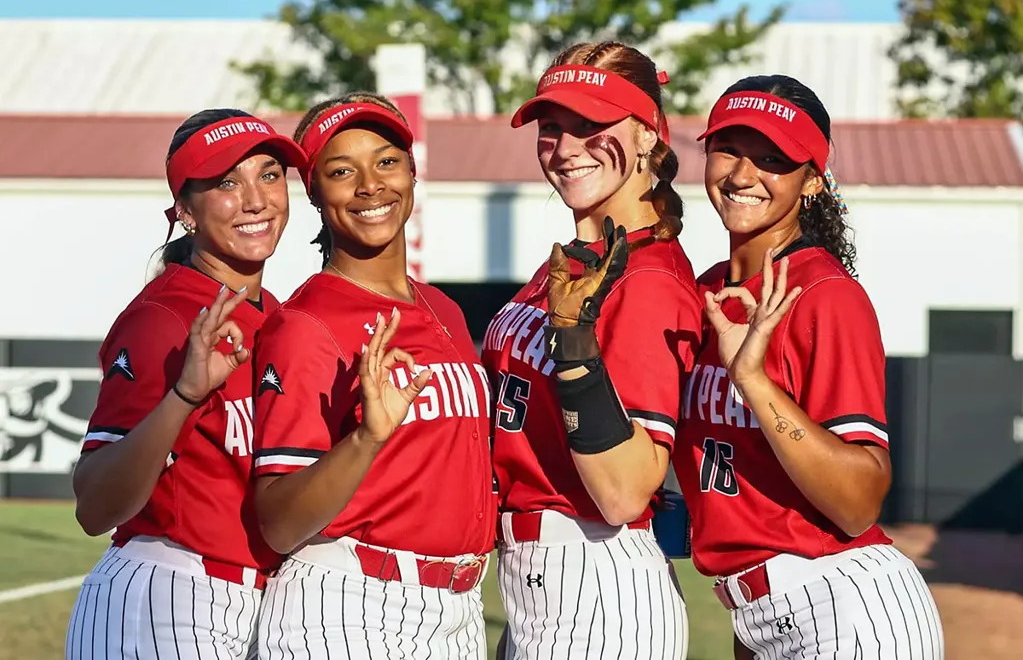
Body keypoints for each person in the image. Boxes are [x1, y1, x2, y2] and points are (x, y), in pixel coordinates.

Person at [673, 74, 945, 659]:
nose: (743, 176)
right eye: (729, 149)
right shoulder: (703, 293)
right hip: (761, 614)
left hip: (848, 607)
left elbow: (858, 501)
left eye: (772, 159)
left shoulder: (824, 296)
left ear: (813, 181)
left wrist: (753, 381)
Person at [250, 92, 495, 660]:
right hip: (351, 606)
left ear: (413, 170)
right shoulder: (306, 324)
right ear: (313, 194)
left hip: (457, 612)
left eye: (386, 161)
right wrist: (366, 439)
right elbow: (279, 524)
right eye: (341, 171)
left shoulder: (444, 310)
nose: (369, 186)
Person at [483, 41, 700, 659]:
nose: (567, 147)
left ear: (647, 135)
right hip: (543, 583)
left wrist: (574, 346)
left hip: (596, 572)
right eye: (553, 128)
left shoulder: (648, 279)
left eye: (592, 124)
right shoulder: (580, 263)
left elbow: (626, 490)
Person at [65, 109, 306, 660]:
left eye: (269, 174)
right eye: (226, 182)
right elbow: (95, 506)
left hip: (258, 606)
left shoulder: (280, 317)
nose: (256, 199)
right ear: (184, 212)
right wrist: (184, 397)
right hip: (167, 602)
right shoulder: (165, 319)